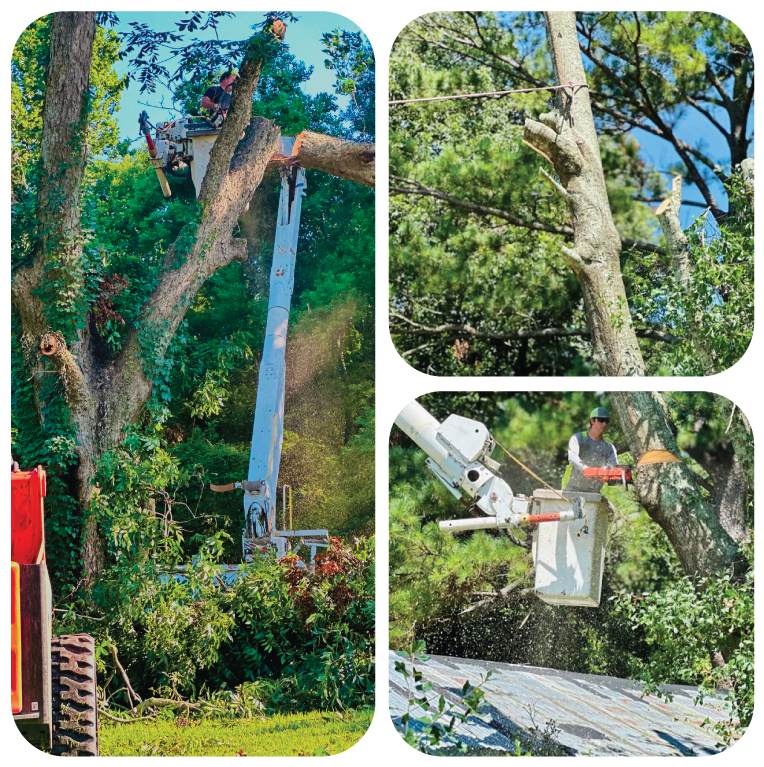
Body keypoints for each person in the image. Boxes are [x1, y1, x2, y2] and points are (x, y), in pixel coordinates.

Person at [566, 407, 618, 493]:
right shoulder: (578, 438)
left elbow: (614, 466)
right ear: (592, 421)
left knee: (610, 507)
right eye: (601, 420)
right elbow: (572, 457)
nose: (604, 424)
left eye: (606, 421)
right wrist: (586, 470)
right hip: (573, 491)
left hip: (594, 493)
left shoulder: (609, 446)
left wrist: (607, 473)